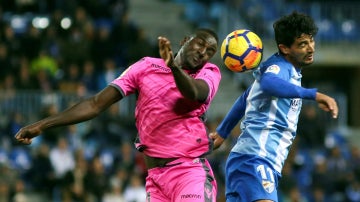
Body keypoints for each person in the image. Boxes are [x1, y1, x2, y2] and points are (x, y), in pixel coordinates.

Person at [15, 28, 221, 201]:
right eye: (200, 44)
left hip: (189, 171)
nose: (203, 52)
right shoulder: (145, 67)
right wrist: (42, 125)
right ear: (186, 41)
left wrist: (173, 67)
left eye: (209, 51)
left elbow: (194, 93)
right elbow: (95, 104)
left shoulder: (208, 73)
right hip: (156, 178)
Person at [210, 11, 339, 202]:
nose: (311, 48)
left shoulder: (289, 71)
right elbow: (269, 82)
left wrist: (222, 132)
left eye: (311, 41)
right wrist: (314, 94)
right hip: (256, 159)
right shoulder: (279, 68)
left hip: (252, 161)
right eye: (303, 44)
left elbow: (247, 97)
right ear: (285, 48)